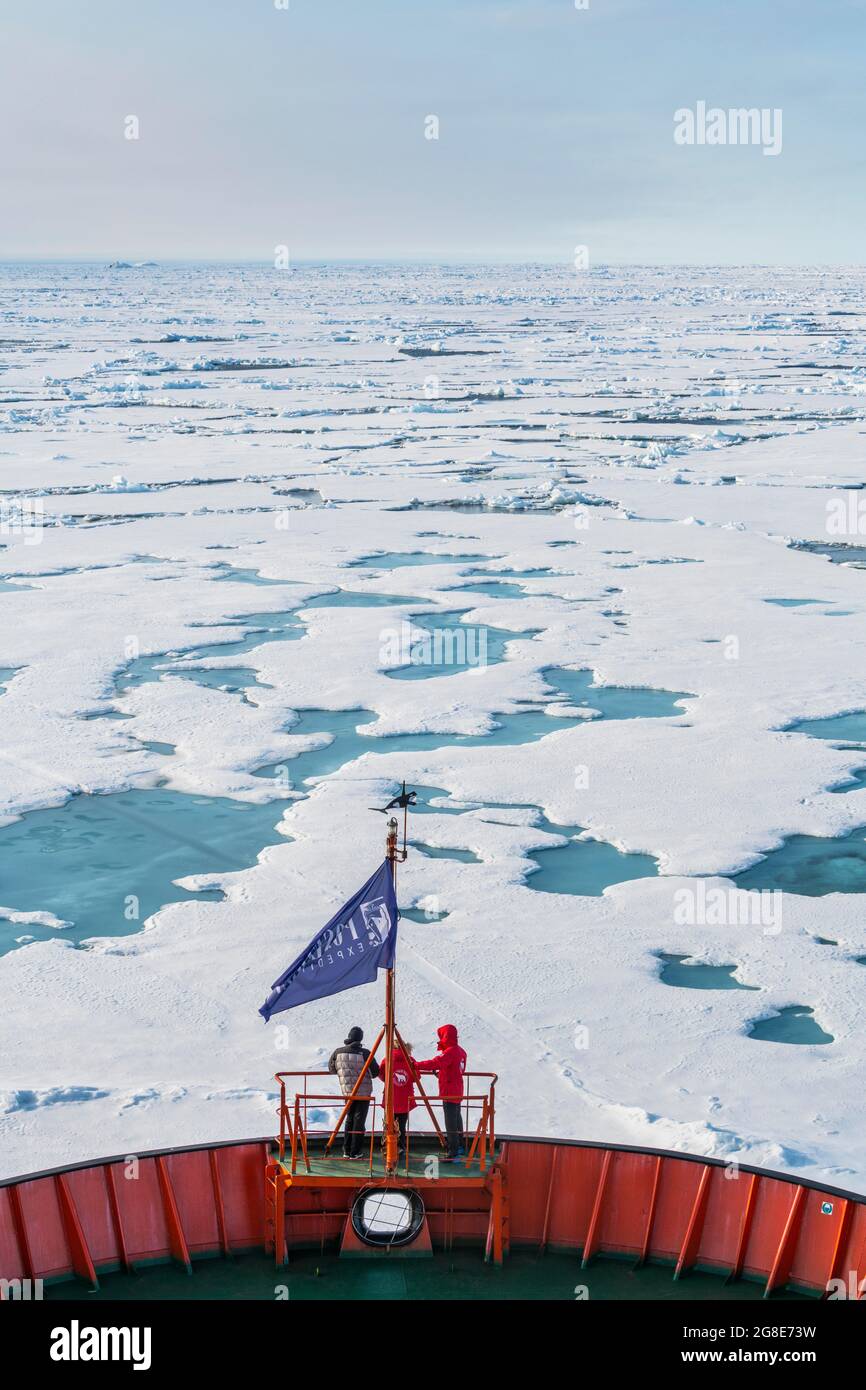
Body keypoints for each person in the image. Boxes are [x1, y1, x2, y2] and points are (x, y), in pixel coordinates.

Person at [416, 1024, 467, 1162]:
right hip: (457, 1088)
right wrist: (441, 1075)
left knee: (450, 1121)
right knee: (457, 1118)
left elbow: (436, 1062)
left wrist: (416, 1065)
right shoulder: (461, 1051)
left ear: (445, 1036)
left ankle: (453, 1152)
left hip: (449, 1091)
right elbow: (455, 1070)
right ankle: (460, 1146)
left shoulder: (450, 1051)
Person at [328, 1026, 380, 1159]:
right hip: (363, 1093)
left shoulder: (337, 1052)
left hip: (347, 1092)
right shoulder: (365, 1053)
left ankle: (346, 1150)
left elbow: (331, 1069)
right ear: (360, 1038)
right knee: (359, 1121)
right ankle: (355, 1151)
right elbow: (375, 1072)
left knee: (349, 1119)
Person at [378, 1041, 417, 1163]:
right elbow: (416, 1076)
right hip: (405, 1098)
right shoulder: (410, 1059)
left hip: (391, 1098)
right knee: (402, 1125)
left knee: (389, 1125)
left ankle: (388, 1149)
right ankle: (401, 1147)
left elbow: (381, 1075)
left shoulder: (387, 1059)